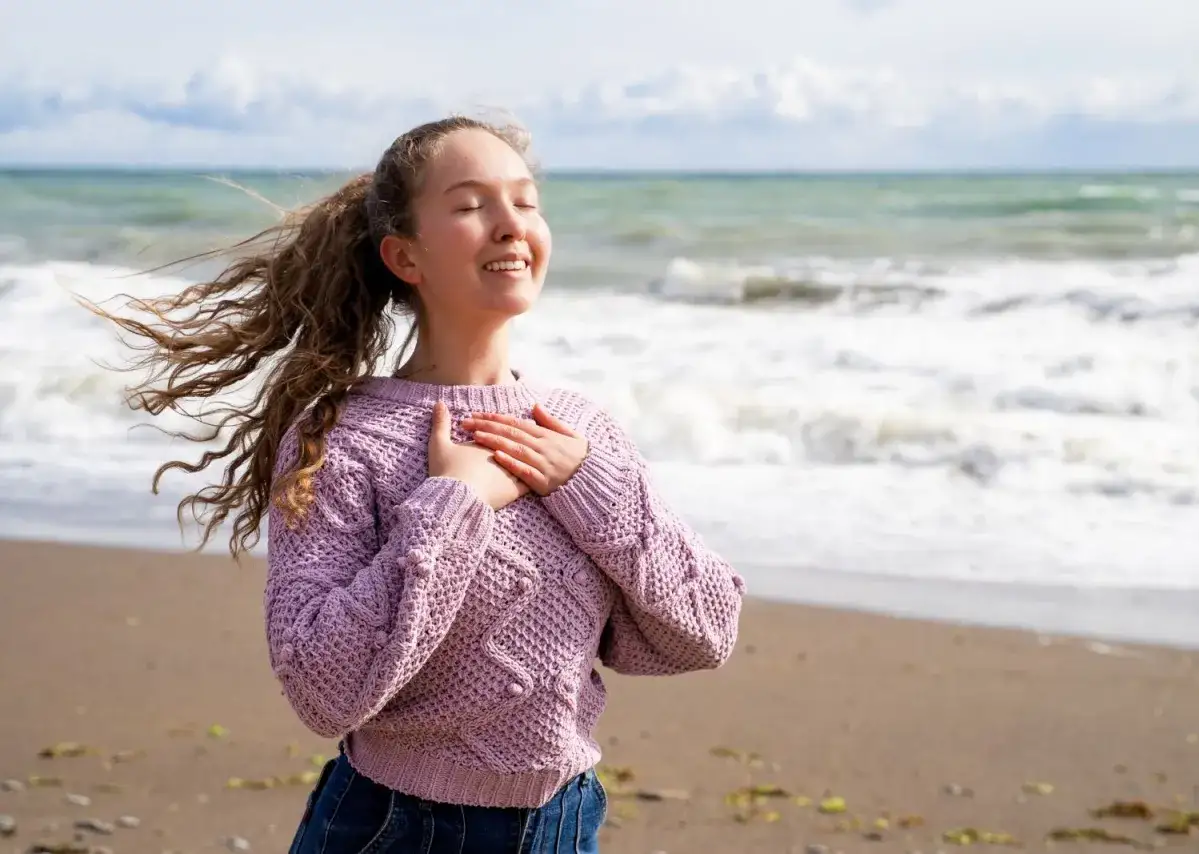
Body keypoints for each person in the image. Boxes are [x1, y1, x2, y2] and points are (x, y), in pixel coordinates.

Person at [100, 115, 745, 853]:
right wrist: (453, 504)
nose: (510, 225)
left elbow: (705, 631)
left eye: (527, 202)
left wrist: (588, 482)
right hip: (389, 829)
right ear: (406, 257)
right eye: (472, 205)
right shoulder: (342, 439)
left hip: (560, 826)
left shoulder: (580, 433)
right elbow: (321, 688)